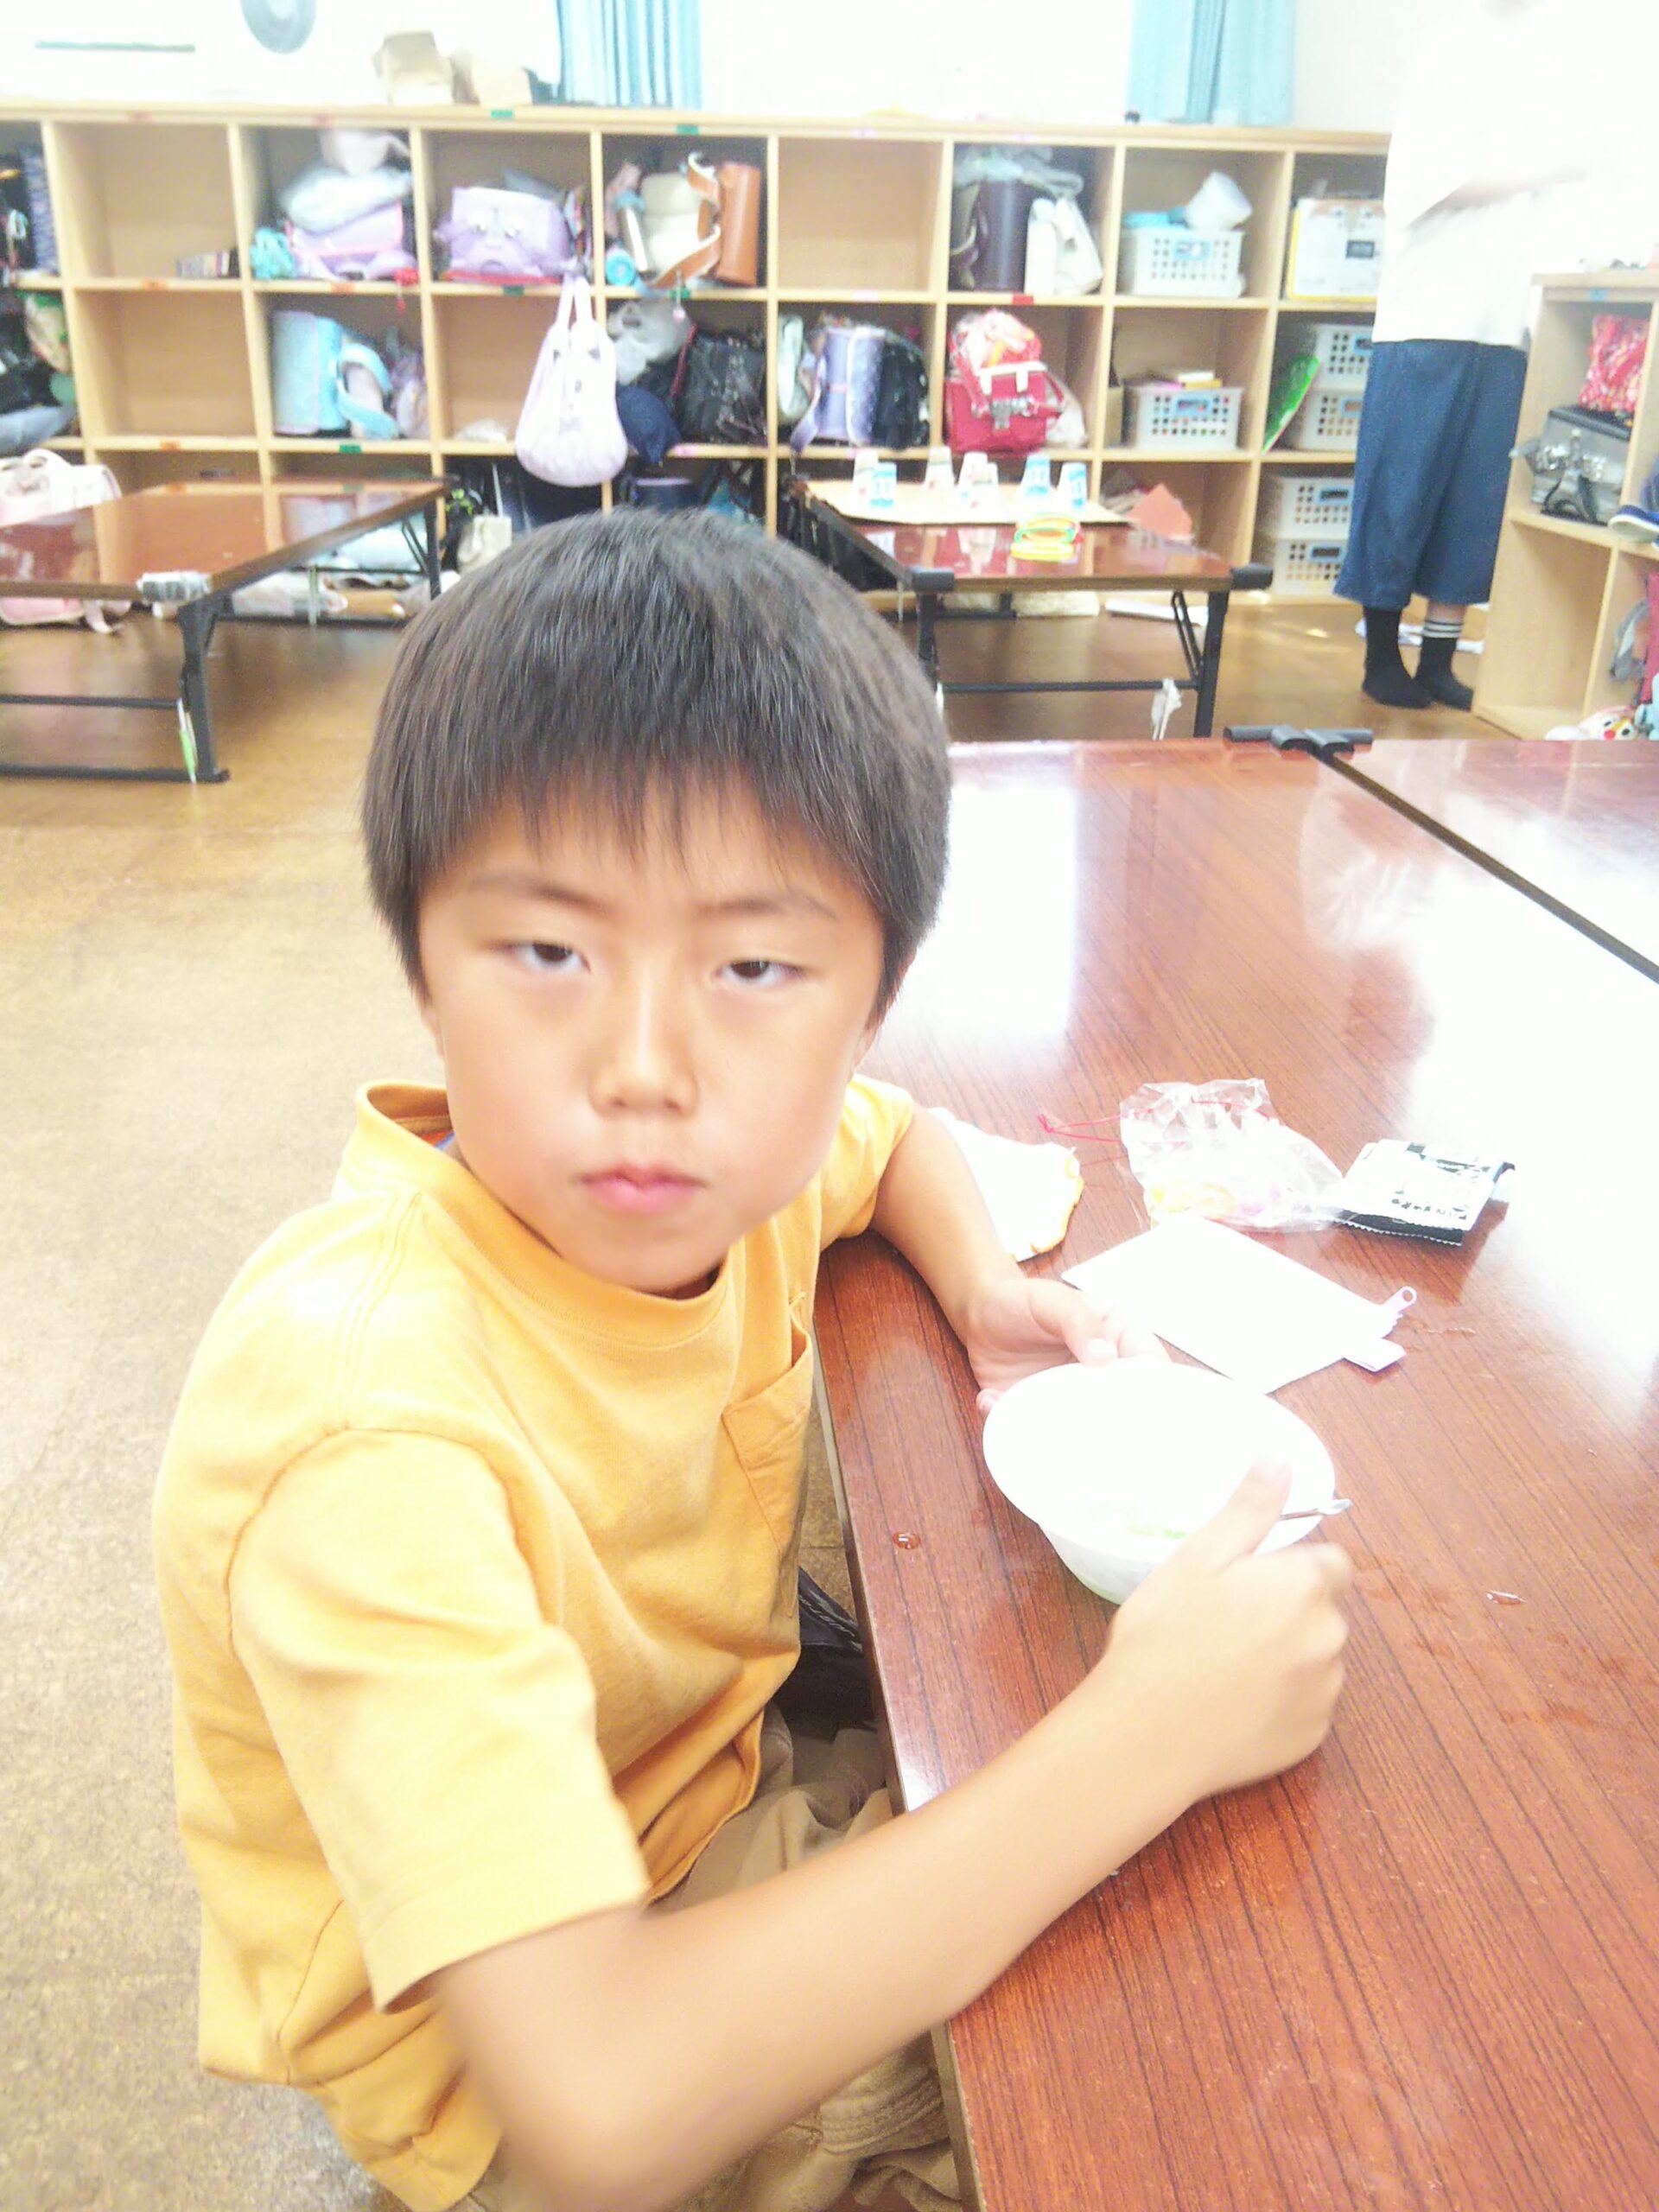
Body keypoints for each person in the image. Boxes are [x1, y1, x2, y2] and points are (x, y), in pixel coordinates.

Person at [154, 512, 1351, 2212]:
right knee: (1184, 2072)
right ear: (419, 960)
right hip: (526, 2075)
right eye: (551, 952)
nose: (648, 1067)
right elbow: (604, 2102)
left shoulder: (736, 1165)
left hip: (706, 1799)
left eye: (754, 967)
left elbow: (896, 1136)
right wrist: (1148, 1737)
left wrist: (980, 1283)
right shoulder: (363, 1431)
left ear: (868, 997)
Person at [1338, 0, 1586, 712]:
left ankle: (1439, 661)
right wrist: (1541, 168)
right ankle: (1381, 656)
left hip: (1505, 325)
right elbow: (1425, 181)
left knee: (1474, 504)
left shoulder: (1545, 64)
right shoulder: (1444, 54)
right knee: (1402, 494)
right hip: (1428, 319)